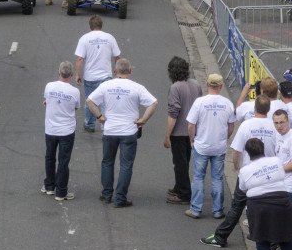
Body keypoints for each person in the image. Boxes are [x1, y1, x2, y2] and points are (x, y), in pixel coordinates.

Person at [200, 96, 278, 248]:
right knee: (266, 206)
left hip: (249, 173)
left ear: (255, 108)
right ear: (269, 109)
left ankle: (221, 236)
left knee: (237, 206)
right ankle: (271, 240)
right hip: (268, 172)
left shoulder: (246, 125)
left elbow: (237, 151)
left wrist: (237, 168)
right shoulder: (274, 126)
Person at [86, 58, 158, 208]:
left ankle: (106, 194)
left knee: (107, 162)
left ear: (115, 71)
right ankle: (120, 197)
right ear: (130, 71)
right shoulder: (136, 87)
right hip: (128, 131)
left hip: (110, 130)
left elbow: (90, 101)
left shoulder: (106, 85)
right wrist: (143, 119)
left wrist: (99, 116)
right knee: (126, 165)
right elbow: (153, 102)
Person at [239, 137, 292, 250]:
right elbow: (282, 175)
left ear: (247, 152)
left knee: (262, 241)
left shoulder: (244, 170)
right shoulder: (276, 161)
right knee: (286, 238)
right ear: (263, 149)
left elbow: (243, 188)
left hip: (258, 207)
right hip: (281, 203)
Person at [186, 74, 236, 220]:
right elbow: (231, 126)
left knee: (198, 177)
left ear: (207, 85)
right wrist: (224, 138)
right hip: (218, 146)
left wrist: (192, 140)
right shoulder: (227, 103)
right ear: (220, 87)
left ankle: (195, 209)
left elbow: (191, 124)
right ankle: (218, 210)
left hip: (202, 145)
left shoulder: (200, 102)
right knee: (217, 178)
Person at [164, 57, 202, 206]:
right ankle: (179, 186)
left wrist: (167, 134)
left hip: (179, 132)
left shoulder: (175, 88)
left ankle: (184, 193)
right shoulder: (195, 84)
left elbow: (174, 113)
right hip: (192, 130)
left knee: (179, 163)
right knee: (185, 160)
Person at [75, 16, 122, 133]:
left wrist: (78, 74)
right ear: (101, 25)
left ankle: (89, 123)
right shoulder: (109, 38)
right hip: (106, 76)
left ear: (90, 26)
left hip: (90, 77)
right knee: (106, 101)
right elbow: (117, 57)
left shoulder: (84, 39)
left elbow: (80, 59)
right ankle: (105, 125)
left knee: (90, 100)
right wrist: (117, 70)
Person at [42, 61, 80, 201]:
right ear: (70, 74)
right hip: (66, 131)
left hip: (51, 129)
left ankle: (49, 186)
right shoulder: (74, 91)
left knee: (50, 157)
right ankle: (61, 192)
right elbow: (76, 107)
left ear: (59, 72)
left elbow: (47, 100)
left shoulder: (49, 86)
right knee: (63, 161)